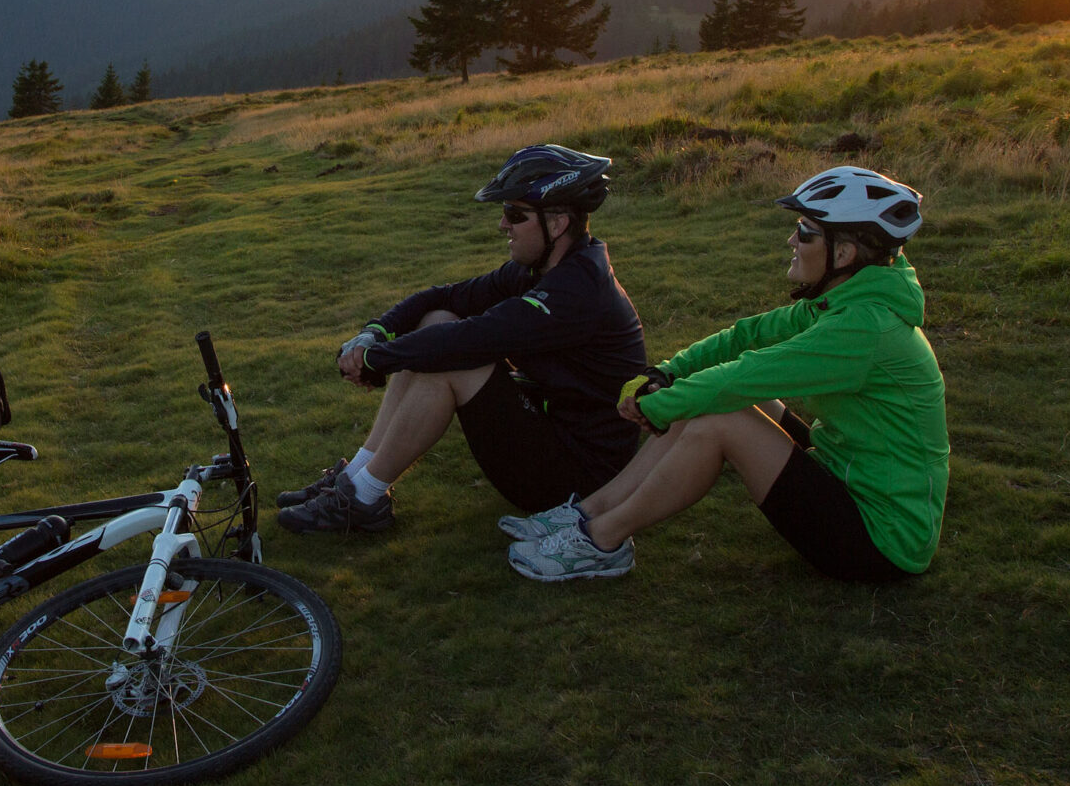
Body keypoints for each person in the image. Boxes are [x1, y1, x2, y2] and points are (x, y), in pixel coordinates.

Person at [503, 165, 947, 585]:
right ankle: (590, 511)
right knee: (709, 395)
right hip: (845, 475)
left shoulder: (863, 328)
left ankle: (603, 541)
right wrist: (667, 372)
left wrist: (656, 404)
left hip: (883, 541)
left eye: (805, 233)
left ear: (844, 253)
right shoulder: (849, 302)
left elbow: (747, 375)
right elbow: (746, 337)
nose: (792, 241)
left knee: (720, 414)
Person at [276, 143, 648, 534]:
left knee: (451, 360)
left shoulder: (575, 292)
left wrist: (377, 360)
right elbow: (444, 298)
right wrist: (373, 335)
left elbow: (470, 341)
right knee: (439, 320)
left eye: (514, 214)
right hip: (553, 433)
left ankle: (363, 499)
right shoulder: (542, 270)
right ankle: (353, 477)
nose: (502, 225)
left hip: (580, 481)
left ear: (556, 224)